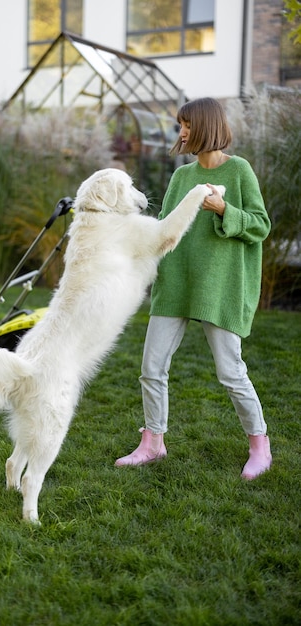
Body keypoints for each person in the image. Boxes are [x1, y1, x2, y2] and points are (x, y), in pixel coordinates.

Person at [115, 97, 272, 480]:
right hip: (176, 281)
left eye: (186, 124)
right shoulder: (181, 176)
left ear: (205, 126)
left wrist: (223, 210)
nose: (181, 132)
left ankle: (259, 445)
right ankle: (153, 442)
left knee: (230, 372)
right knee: (151, 368)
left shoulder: (239, 171)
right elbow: (167, 226)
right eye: (180, 125)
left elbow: (260, 225)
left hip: (220, 286)